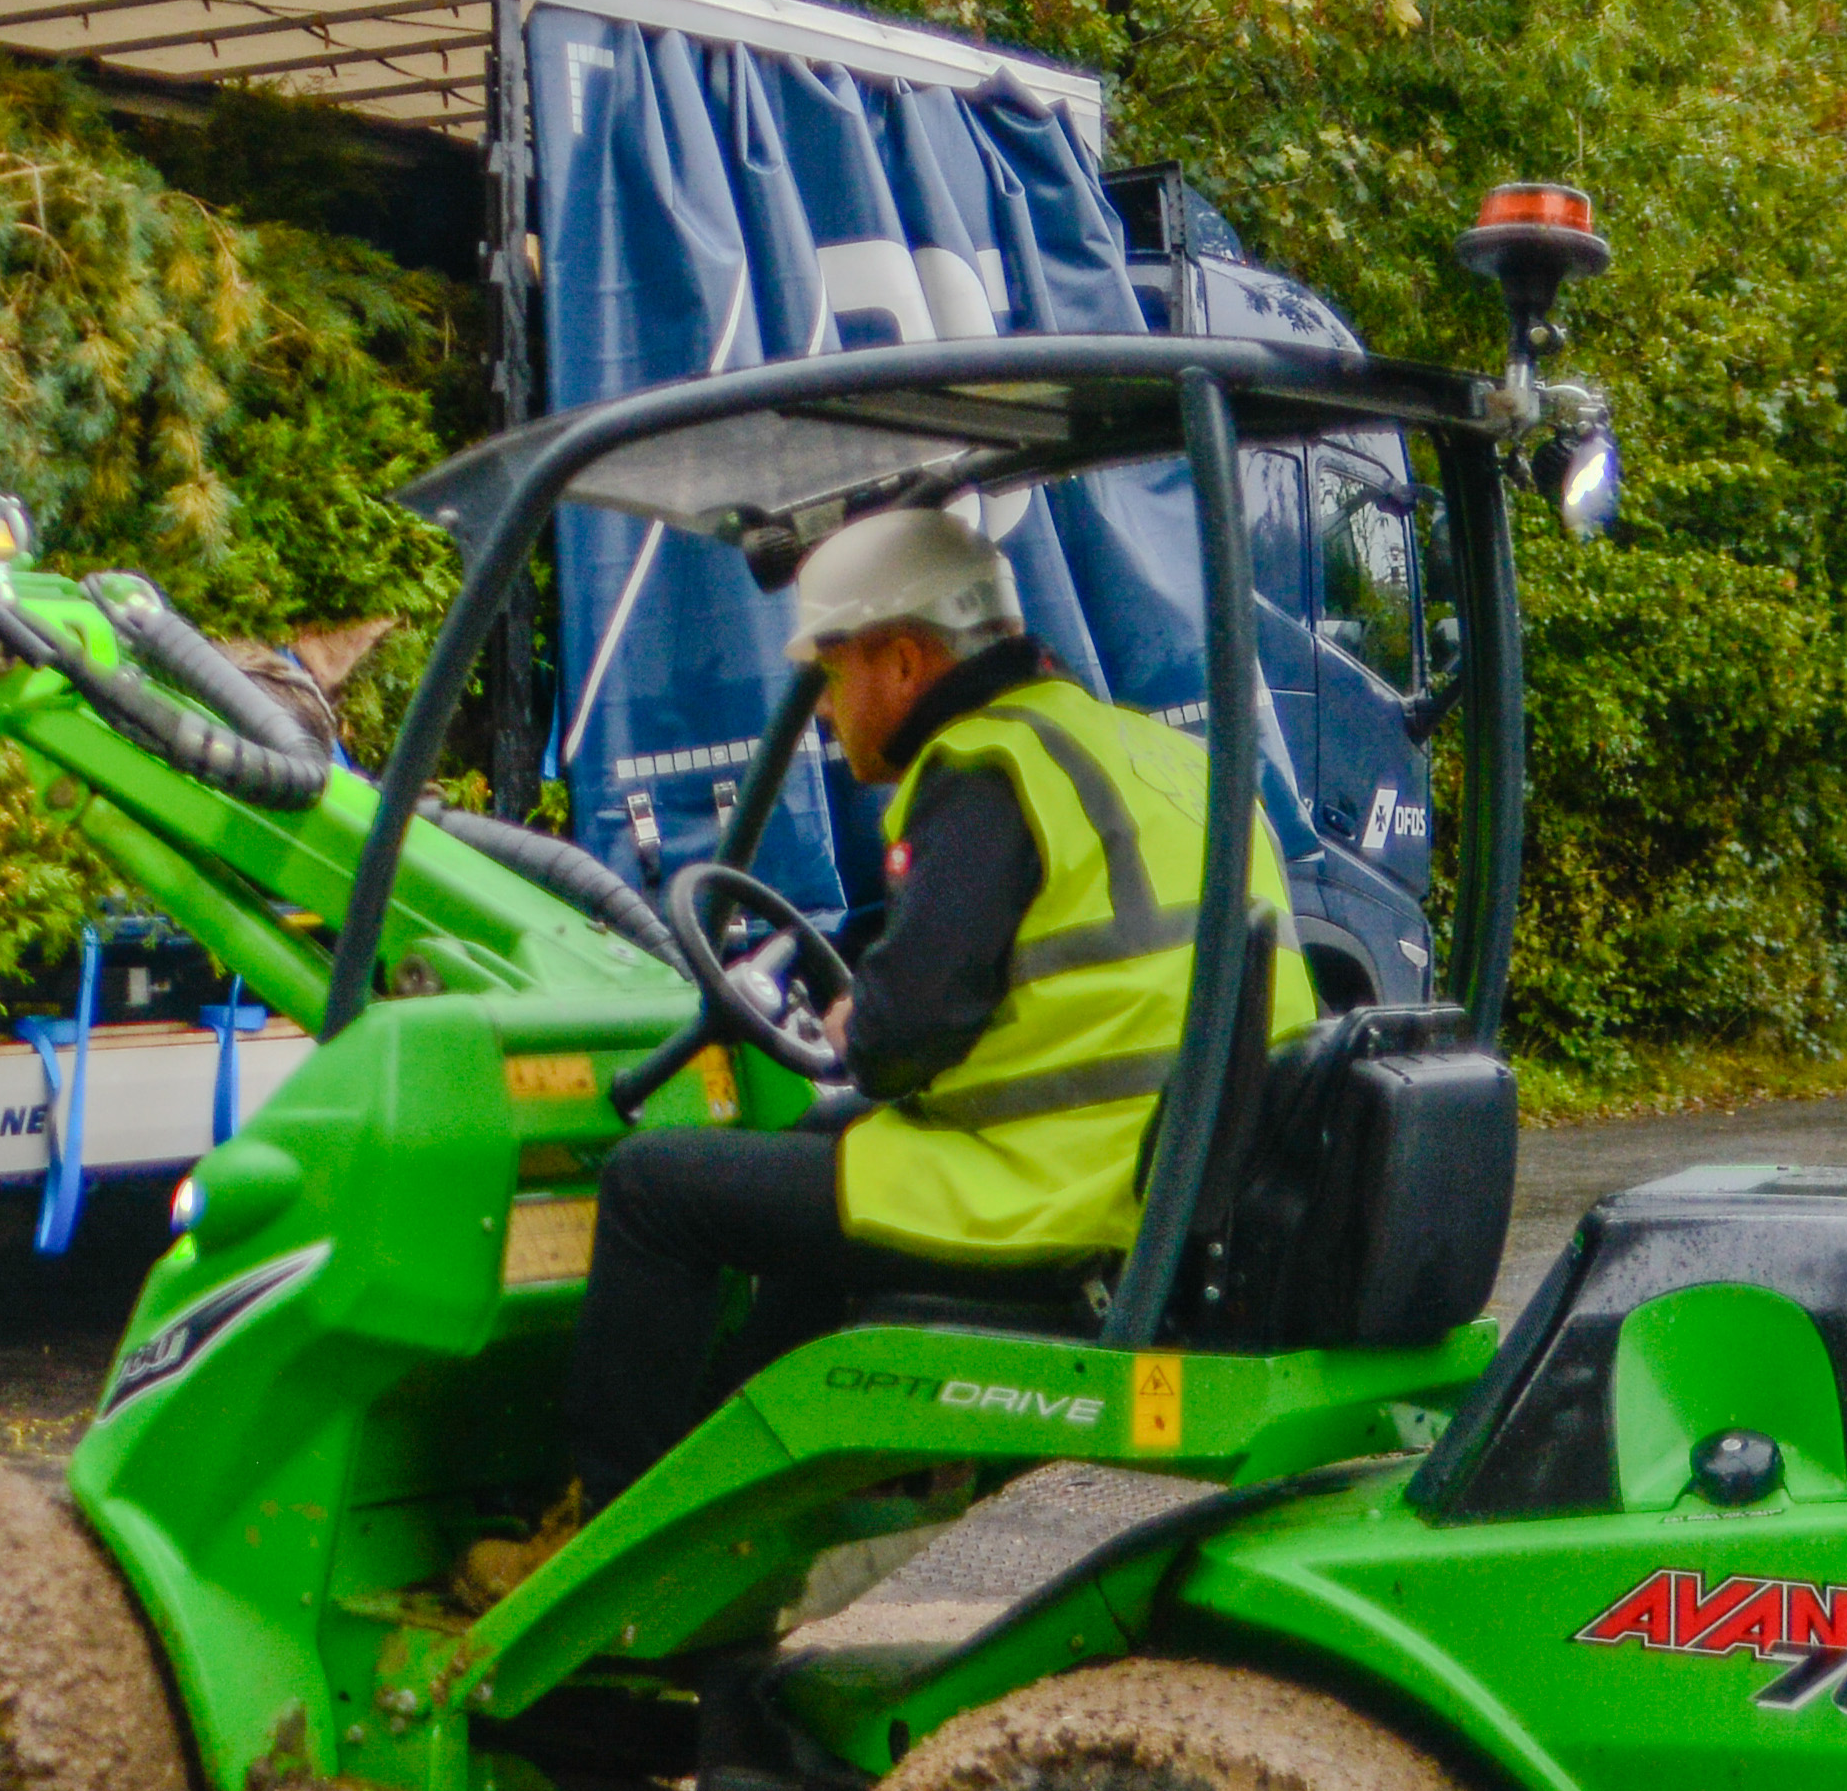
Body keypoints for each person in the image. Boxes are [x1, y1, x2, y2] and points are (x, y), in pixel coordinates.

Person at [544, 503, 1315, 1521]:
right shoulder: (1155, 755)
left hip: (1053, 1194)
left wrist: (848, 1029)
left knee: (653, 1190)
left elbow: (905, 1041)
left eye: (831, 675)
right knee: (827, 1155)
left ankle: (603, 1529)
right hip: (1165, 1180)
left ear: (902, 661)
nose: (823, 708)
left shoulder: (989, 767)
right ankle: (736, 1492)